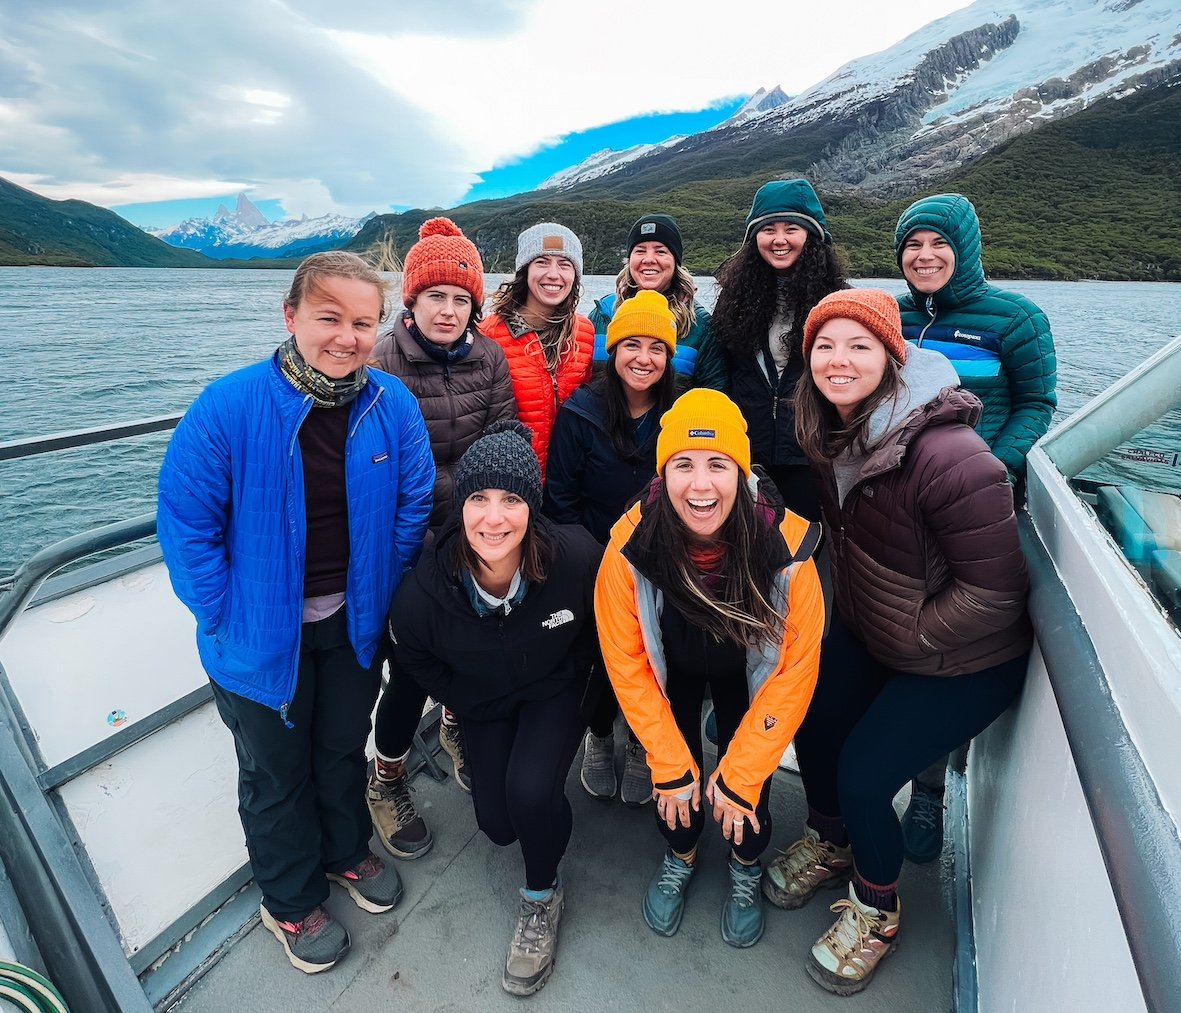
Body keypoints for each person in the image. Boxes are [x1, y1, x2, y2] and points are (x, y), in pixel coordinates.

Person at [157, 251, 434, 974]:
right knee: (274, 773)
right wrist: (226, 615)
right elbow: (186, 525)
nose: (347, 337)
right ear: (291, 316)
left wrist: (383, 592)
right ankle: (288, 898)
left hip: (352, 623)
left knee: (341, 746)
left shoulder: (390, 405)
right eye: (328, 318)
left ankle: (344, 849)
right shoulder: (229, 405)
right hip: (257, 635)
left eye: (363, 322)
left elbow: (412, 505)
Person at [768, 289, 1030, 995]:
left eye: (859, 346)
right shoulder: (833, 435)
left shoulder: (952, 457)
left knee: (863, 773)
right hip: (879, 629)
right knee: (813, 717)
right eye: (824, 346)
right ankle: (830, 838)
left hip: (964, 658)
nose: (839, 360)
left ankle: (875, 907)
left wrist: (910, 635)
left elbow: (998, 593)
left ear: (893, 358)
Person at [595, 389, 825, 948]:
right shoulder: (629, 546)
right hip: (671, 671)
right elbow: (626, 660)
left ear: (742, 473)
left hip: (748, 672)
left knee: (749, 787)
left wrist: (743, 773)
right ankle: (681, 853)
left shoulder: (787, 549)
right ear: (663, 473)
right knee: (673, 782)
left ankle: (746, 865)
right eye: (684, 464)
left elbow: (795, 671)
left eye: (718, 465)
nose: (701, 485)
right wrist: (668, 762)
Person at [387, 421, 602, 997]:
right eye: (478, 498)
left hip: (556, 689)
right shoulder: (426, 593)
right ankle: (539, 813)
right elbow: (413, 656)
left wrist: (580, 686)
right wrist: (464, 698)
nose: (494, 518)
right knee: (498, 825)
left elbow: (604, 628)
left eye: (511, 499)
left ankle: (542, 894)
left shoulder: (577, 557)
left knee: (530, 794)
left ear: (532, 506)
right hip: (484, 698)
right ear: (460, 506)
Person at [894, 193, 1056, 864]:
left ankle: (928, 790)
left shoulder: (1015, 318)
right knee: (893, 634)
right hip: (900, 511)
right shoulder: (892, 318)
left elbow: (1037, 403)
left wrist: (994, 466)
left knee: (948, 649)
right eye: (912, 245)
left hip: (972, 513)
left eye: (938, 243)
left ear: (964, 249)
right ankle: (880, 762)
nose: (924, 256)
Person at [366, 217, 516, 857]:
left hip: (472, 533)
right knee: (410, 668)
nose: (448, 310)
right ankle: (386, 777)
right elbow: (375, 467)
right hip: (407, 541)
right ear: (412, 300)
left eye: (460, 298)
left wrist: (488, 530)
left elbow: (504, 443)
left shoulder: (489, 358)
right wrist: (422, 540)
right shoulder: (381, 361)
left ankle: (455, 725)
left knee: (477, 650)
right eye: (435, 296)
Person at [545, 290, 678, 806]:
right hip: (595, 558)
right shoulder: (581, 413)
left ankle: (646, 741)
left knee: (660, 653)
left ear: (669, 357)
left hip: (663, 561)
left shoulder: (678, 413)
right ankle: (599, 735)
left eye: (656, 348)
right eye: (632, 345)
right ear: (613, 350)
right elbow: (561, 499)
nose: (643, 358)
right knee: (597, 655)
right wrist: (597, 565)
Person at [710, 178, 848, 521]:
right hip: (747, 451)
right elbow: (723, 373)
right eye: (768, 229)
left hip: (811, 455)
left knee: (805, 544)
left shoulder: (839, 301)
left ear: (812, 236)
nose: (779, 239)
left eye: (791, 229)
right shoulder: (734, 299)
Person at [480, 222, 594, 478]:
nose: (553, 274)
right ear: (525, 270)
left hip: (568, 480)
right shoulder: (490, 333)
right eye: (542, 262)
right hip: (511, 477)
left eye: (564, 264)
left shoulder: (584, 332)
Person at [587, 212, 726, 391]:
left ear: (675, 261)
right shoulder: (602, 314)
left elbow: (714, 391)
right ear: (629, 260)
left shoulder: (700, 325)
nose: (649, 259)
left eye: (660, 251)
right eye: (640, 251)